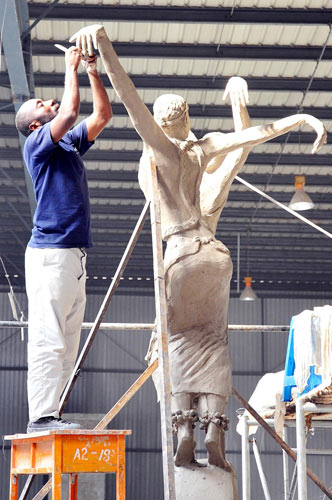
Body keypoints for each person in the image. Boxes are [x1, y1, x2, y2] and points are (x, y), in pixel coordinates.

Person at [69, 24, 326, 468]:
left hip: (181, 255)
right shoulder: (203, 149)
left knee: (175, 342)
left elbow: (129, 99)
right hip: (216, 254)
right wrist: (301, 118)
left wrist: (105, 46)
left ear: (163, 124)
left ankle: (184, 426)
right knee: (214, 342)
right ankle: (215, 435)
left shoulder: (162, 154)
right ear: (187, 119)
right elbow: (250, 138)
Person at [15, 45, 112, 433]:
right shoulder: (36, 145)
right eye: (39, 104)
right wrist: (69, 66)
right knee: (49, 338)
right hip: (50, 254)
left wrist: (91, 70)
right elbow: (71, 111)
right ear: (34, 125)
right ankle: (41, 416)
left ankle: (51, 414)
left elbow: (102, 115)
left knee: (68, 342)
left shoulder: (68, 143)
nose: (46, 103)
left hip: (73, 255)